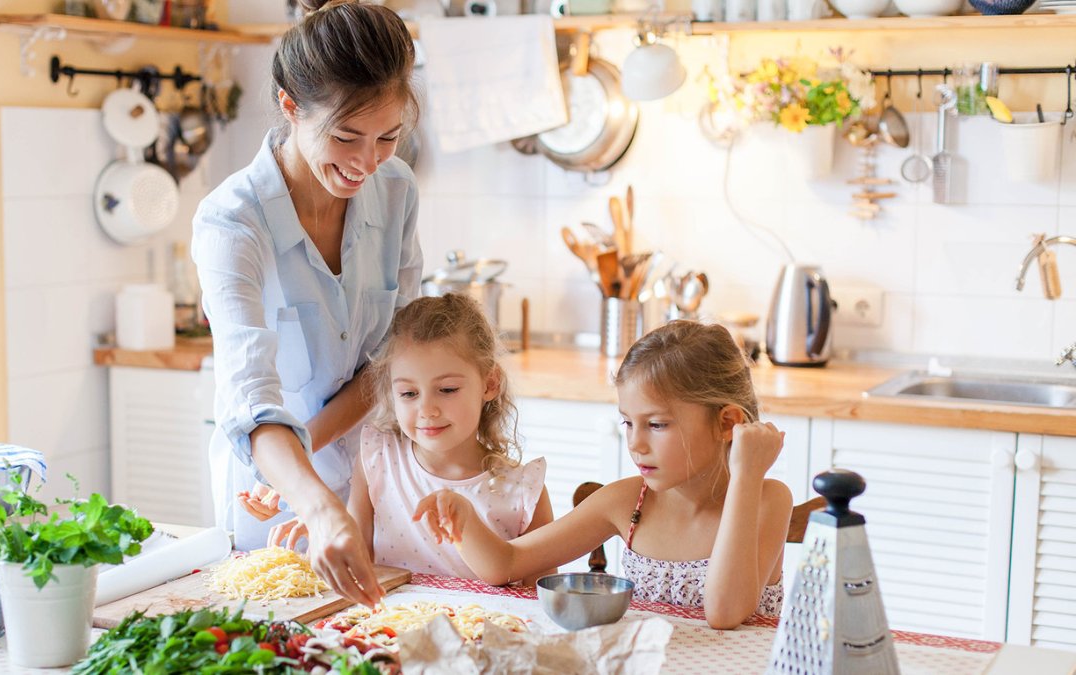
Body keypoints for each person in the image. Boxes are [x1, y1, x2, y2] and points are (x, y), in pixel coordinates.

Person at [191, 0, 420, 607]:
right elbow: (250, 400)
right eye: (345, 137)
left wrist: (328, 474)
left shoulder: (396, 190)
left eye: (388, 137)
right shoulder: (232, 222)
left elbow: (394, 359)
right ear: (290, 106)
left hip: (378, 485)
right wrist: (315, 503)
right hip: (272, 502)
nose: (367, 162)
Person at [414, 321, 793, 629]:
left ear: (727, 422)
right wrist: (463, 517)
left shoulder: (766, 498)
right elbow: (507, 563)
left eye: (657, 425)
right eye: (628, 423)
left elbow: (725, 613)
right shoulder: (629, 502)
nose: (636, 444)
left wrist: (746, 474)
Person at [270, 294, 556, 585]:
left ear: (490, 384)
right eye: (409, 394)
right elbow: (359, 561)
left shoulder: (524, 491)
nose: (427, 410)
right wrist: (326, 531)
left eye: (447, 389)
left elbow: (539, 605)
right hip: (391, 629)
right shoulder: (376, 458)